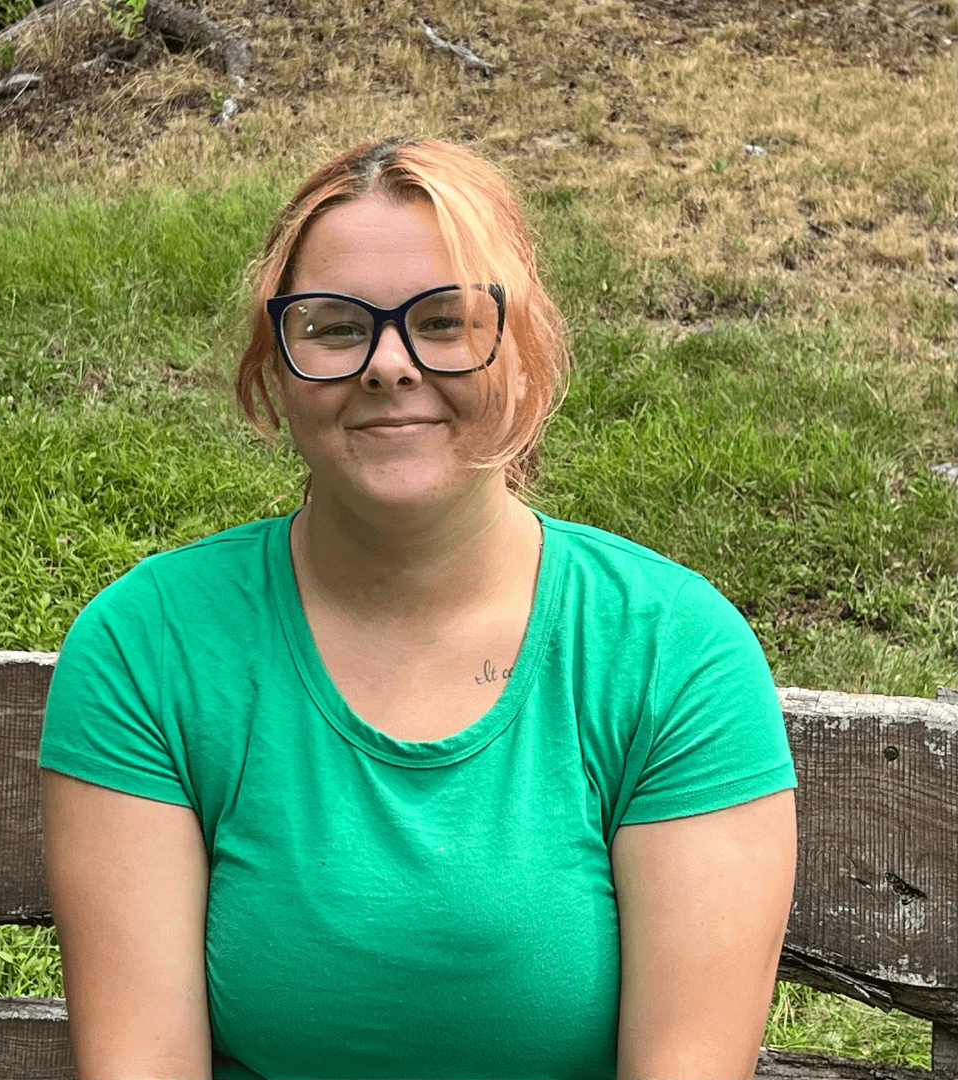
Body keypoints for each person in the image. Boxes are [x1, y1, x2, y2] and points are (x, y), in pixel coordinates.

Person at [40, 137, 798, 1080]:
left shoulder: (671, 653)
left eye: (444, 321)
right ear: (273, 368)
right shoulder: (148, 648)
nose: (389, 364)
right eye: (332, 326)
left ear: (523, 357)